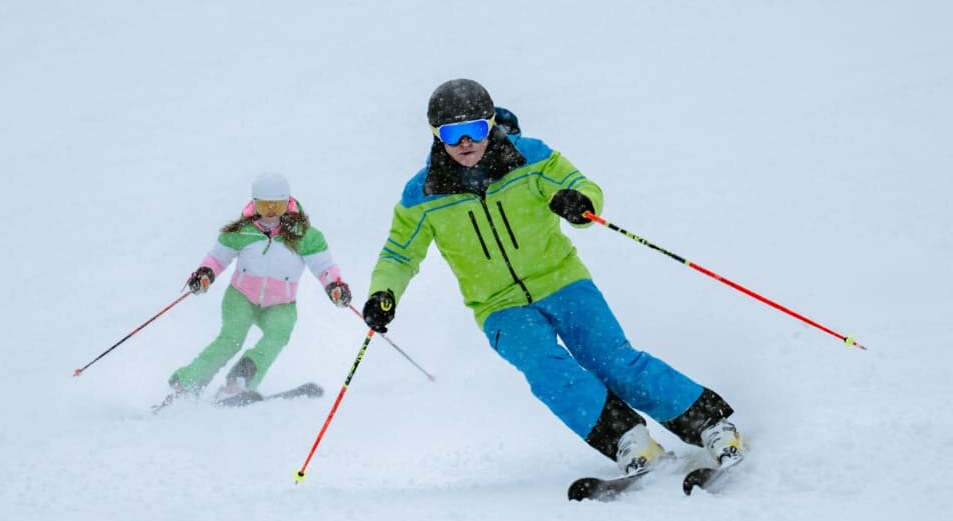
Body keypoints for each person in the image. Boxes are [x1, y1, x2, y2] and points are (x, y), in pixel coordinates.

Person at [362, 79, 743, 478]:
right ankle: (629, 440)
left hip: (563, 282)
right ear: (436, 137)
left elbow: (580, 185)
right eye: (452, 134)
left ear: (491, 125)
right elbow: (399, 254)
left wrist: (579, 202)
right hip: (499, 306)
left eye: (474, 130)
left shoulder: (530, 158)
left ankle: (712, 426)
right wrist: (383, 292)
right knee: (548, 371)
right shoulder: (422, 194)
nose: (465, 143)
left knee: (614, 361)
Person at [164, 171, 353, 407]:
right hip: (241, 297)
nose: (272, 211)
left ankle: (238, 382)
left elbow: (324, 266)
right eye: (265, 205)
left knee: (279, 334)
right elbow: (217, 258)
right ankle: (188, 384)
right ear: (254, 203)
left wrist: (334, 286)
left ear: (288, 202)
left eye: (277, 205)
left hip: (280, 303)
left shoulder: (304, 235)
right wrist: (205, 274)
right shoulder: (241, 231)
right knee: (231, 339)